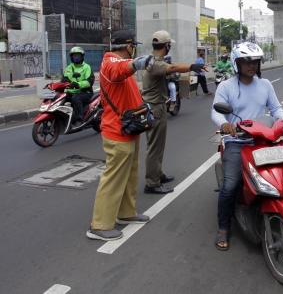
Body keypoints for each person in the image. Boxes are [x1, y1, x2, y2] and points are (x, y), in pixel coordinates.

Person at [210, 42, 283, 251]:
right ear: (236, 63)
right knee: (230, 185)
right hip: (237, 141)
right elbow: (216, 112)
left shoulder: (265, 84)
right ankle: (223, 227)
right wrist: (224, 124)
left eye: (255, 61)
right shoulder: (226, 86)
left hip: (264, 139)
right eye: (246, 61)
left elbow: (275, 108)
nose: (252, 65)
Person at [86, 30, 154, 241]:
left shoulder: (122, 66)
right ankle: (99, 225)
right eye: (133, 46)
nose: (133, 50)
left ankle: (126, 213)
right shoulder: (110, 63)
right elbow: (118, 70)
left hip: (130, 130)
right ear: (128, 47)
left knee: (130, 174)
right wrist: (135, 64)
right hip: (117, 132)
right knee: (114, 178)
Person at [141, 30, 208, 194]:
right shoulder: (155, 63)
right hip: (155, 107)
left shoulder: (154, 60)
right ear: (167, 45)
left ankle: (157, 174)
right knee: (154, 147)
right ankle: (152, 183)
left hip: (157, 106)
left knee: (158, 145)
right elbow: (172, 67)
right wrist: (192, 66)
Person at [60, 47, 95, 128]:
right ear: (71, 57)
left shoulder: (86, 67)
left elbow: (90, 81)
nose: (76, 57)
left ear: (82, 56)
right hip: (71, 91)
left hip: (85, 91)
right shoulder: (69, 68)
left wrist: (78, 84)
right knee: (60, 98)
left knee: (75, 98)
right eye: (74, 55)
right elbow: (63, 79)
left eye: (78, 55)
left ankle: (79, 119)